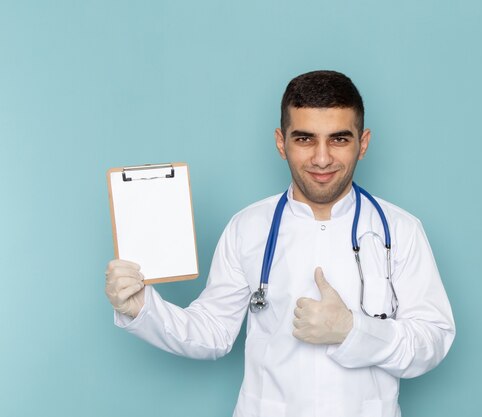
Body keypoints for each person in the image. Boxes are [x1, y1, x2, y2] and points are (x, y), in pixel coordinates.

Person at [105, 70, 455, 417]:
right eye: (304, 139)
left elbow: (433, 339)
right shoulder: (248, 227)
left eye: (339, 139)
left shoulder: (401, 230)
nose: (321, 158)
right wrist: (142, 308)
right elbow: (212, 332)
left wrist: (354, 331)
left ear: (362, 144)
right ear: (280, 141)